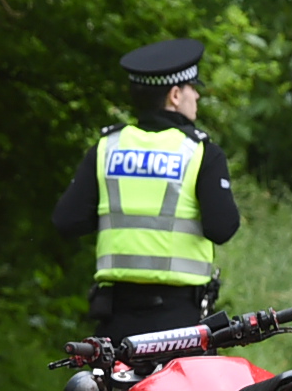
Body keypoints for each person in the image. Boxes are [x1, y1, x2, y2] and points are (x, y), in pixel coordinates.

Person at [51, 38, 243, 340]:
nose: (197, 96)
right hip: (181, 323)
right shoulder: (201, 152)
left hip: (116, 321)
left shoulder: (107, 147)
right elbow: (222, 228)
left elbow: (67, 221)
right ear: (176, 95)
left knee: (113, 389)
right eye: (195, 88)